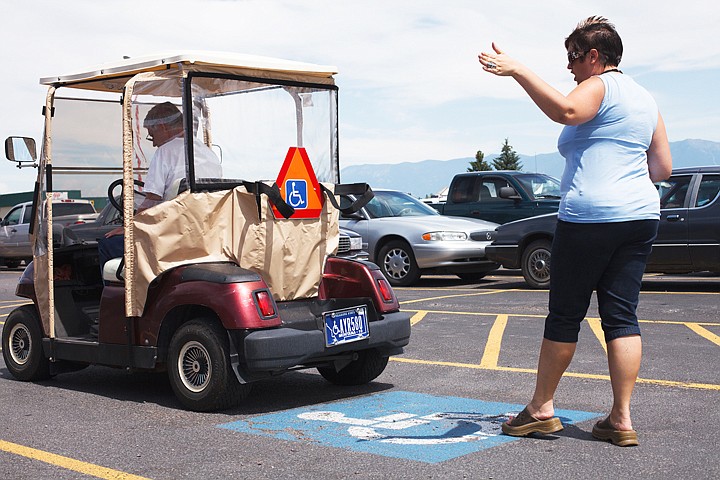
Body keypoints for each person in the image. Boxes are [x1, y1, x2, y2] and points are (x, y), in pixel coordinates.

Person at [478, 16, 672, 447]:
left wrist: (519, 70)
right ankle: (621, 419)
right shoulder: (645, 98)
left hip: (590, 217)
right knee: (621, 315)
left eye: (572, 59)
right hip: (640, 215)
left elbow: (566, 110)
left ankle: (541, 410)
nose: (569, 69)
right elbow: (662, 168)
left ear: (594, 57)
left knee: (566, 314)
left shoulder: (601, 85)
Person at [98, 102, 222, 273]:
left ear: (162, 127)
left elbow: (152, 200)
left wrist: (129, 227)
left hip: (170, 236)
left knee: (107, 244)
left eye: (152, 135)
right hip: (203, 234)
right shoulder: (208, 153)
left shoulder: (165, 151)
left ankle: (124, 297)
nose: (154, 143)